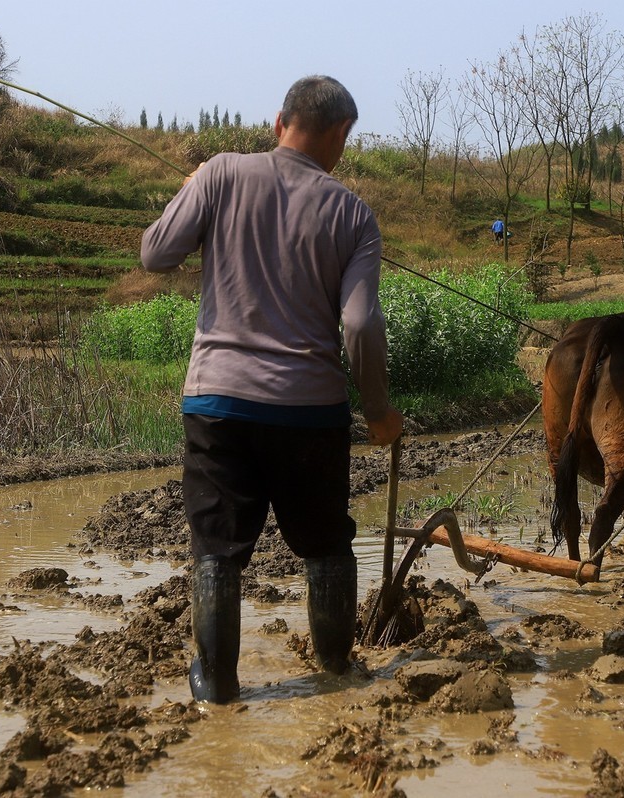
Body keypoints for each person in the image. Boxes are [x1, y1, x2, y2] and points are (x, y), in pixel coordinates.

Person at [140, 75, 403, 704]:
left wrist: (188, 195)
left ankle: (215, 687)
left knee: (218, 549)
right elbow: (361, 323)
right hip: (310, 414)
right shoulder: (352, 213)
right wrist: (378, 411)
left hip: (218, 403)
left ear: (278, 120)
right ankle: (338, 673)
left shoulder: (219, 173)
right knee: (326, 544)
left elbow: (155, 255)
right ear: (341, 134)